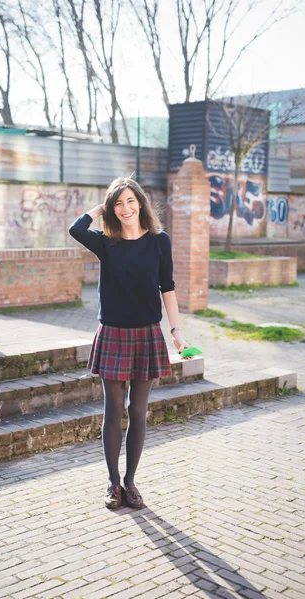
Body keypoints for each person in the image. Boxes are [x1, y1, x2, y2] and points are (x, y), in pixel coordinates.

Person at [69, 177, 188, 510]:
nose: (125, 208)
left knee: (138, 412)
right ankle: (112, 484)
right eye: (118, 203)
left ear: (141, 203)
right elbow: (75, 229)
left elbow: (168, 288)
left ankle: (130, 483)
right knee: (113, 412)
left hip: (147, 333)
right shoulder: (106, 242)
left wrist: (176, 330)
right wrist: (101, 208)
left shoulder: (159, 241)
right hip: (113, 333)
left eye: (130, 201)